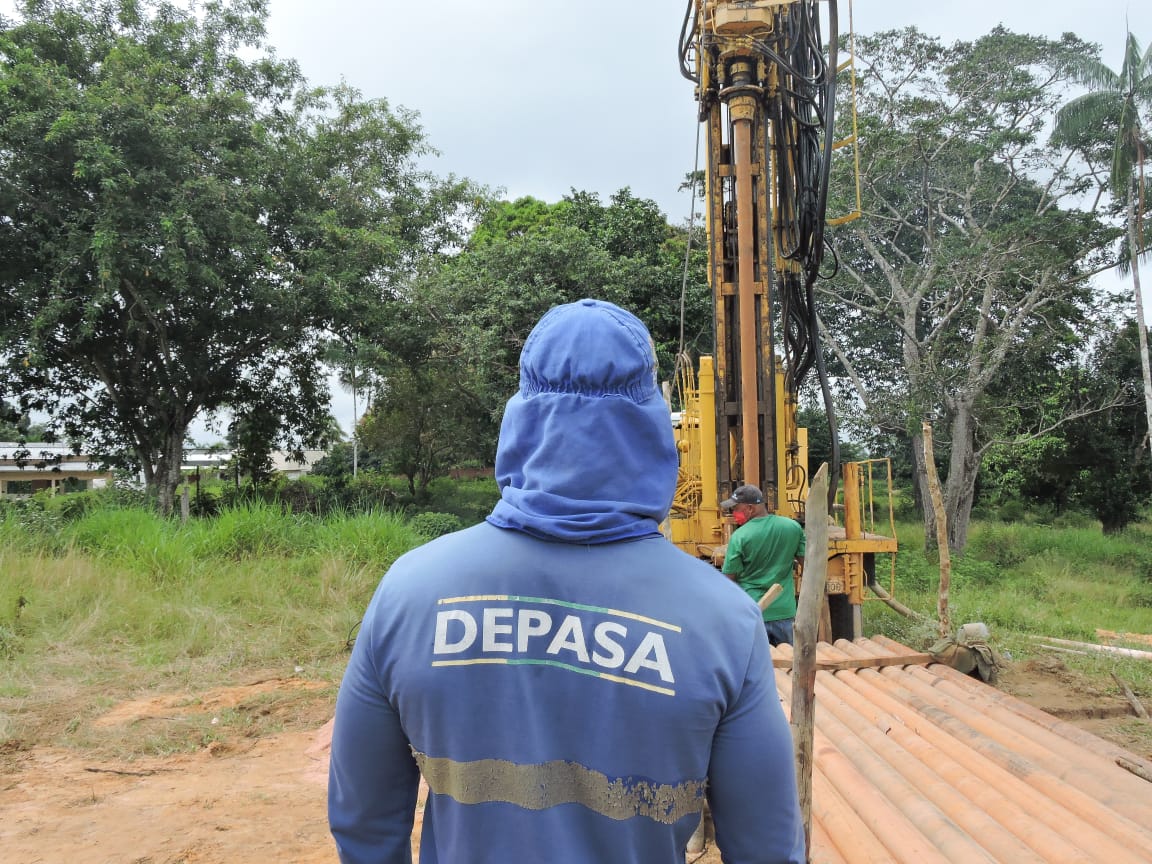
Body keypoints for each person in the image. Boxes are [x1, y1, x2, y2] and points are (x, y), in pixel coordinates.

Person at [328, 299, 804, 863]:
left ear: (521, 418)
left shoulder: (410, 592)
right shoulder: (723, 619)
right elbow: (768, 848)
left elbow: (364, 823)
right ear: (651, 426)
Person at [720, 484, 806, 647]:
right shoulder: (792, 527)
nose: (733, 513)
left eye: (736, 508)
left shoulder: (739, 537)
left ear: (750, 508)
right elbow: (807, 566)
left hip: (754, 614)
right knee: (790, 666)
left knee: (759, 669)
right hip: (785, 612)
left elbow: (728, 581)